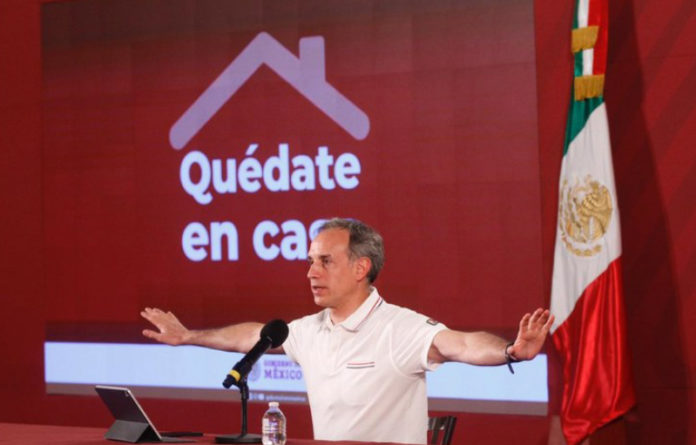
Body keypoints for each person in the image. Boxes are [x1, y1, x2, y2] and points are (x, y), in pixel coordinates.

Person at [141, 218, 553, 444]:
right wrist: (189, 336)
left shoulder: (400, 327)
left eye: (324, 261)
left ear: (361, 268)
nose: (310, 272)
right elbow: (252, 336)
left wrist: (512, 352)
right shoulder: (307, 331)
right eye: (309, 261)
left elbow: (462, 344)